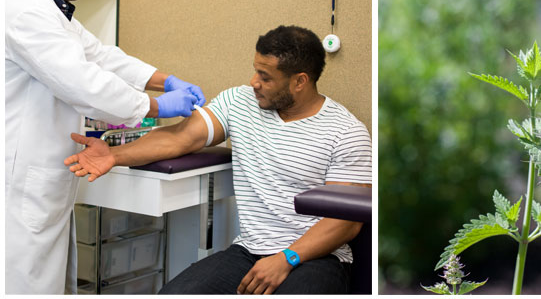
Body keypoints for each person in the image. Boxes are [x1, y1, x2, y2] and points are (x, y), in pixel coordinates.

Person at [65, 25, 372, 294]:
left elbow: (344, 223)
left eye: (265, 77)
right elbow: (181, 137)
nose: (254, 82)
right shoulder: (239, 102)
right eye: (255, 70)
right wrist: (114, 154)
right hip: (248, 252)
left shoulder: (346, 133)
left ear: (299, 82)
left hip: (315, 259)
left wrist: (286, 259)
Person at [5, 0, 205, 294]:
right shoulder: (23, 13)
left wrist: (165, 80)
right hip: (20, 183)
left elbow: (101, 57)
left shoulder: (53, 12)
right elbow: (82, 82)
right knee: (25, 284)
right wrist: (157, 106)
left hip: (45, 179)